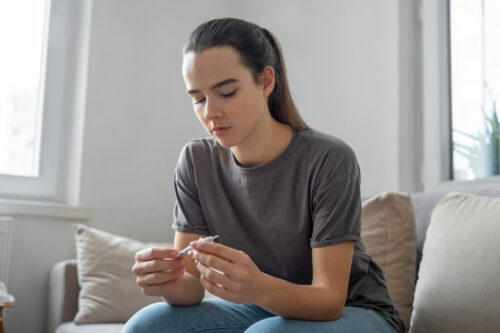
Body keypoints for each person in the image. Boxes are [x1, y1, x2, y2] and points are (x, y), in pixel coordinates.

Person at [124, 18, 404, 333]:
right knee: (145, 326)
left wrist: (255, 286)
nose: (210, 112)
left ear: (266, 81)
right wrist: (167, 281)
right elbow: (190, 286)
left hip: (353, 309)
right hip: (261, 307)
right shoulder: (196, 161)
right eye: (198, 99)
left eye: (226, 92)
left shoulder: (329, 159)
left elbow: (329, 299)